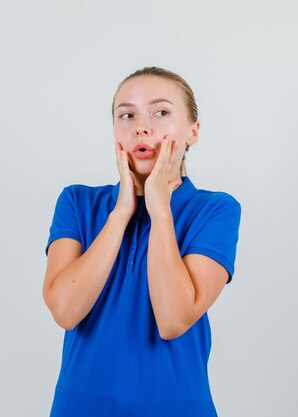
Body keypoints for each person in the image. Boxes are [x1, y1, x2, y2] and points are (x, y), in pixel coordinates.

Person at [42, 66, 242, 417]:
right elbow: (65, 310)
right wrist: (121, 212)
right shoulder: (76, 202)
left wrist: (160, 210)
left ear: (193, 131)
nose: (141, 127)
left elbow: (173, 319)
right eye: (127, 115)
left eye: (161, 112)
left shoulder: (216, 210)